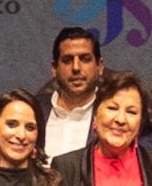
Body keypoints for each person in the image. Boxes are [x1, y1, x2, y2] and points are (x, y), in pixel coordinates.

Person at [36, 26, 103, 158]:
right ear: (54, 68)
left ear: (99, 66)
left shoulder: (113, 113)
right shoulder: (34, 110)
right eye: (67, 60)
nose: (76, 67)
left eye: (84, 59)